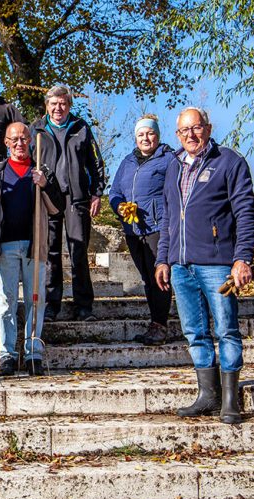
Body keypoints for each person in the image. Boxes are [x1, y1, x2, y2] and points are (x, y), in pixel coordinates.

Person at [154, 106, 254, 425]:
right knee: (194, 332)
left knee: (226, 329)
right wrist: (163, 258)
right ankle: (207, 395)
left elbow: (245, 212)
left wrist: (243, 257)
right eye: (184, 131)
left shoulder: (229, 162)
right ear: (177, 136)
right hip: (181, 266)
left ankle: (230, 401)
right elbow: (169, 217)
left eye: (196, 128)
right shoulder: (173, 166)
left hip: (217, 263)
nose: (191, 135)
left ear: (208, 129)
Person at [0, 122, 64, 377]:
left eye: (24, 139)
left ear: (30, 141)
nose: (19, 144)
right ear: (6, 143)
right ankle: (7, 354)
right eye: (14, 139)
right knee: (5, 302)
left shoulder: (41, 170)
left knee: (35, 300)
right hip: (4, 247)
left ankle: (33, 353)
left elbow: (57, 207)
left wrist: (45, 184)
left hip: (33, 246)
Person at [31, 85, 106, 322]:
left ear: (69, 105)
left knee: (78, 252)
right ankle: (52, 305)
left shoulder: (81, 128)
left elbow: (96, 163)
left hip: (76, 198)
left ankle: (83, 306)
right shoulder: (37, 129)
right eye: (53, 104)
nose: (58, 108)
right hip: (47, 197)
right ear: (47, 106)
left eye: (63, 103)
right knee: (50, 252)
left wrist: (96, 193)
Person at [108, 114, 175, 346]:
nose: (145, 138)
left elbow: (174, 194)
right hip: (134, 230)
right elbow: (115, 191)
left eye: (150, 133)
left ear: (157, 135)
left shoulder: (169, 159)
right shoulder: (127, 161)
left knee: (160, 277)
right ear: (135, 138)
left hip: (158, 227)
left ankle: (160, 325)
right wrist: (119, 206)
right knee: (147, 278)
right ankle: (155, 323)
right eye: (141, 134)